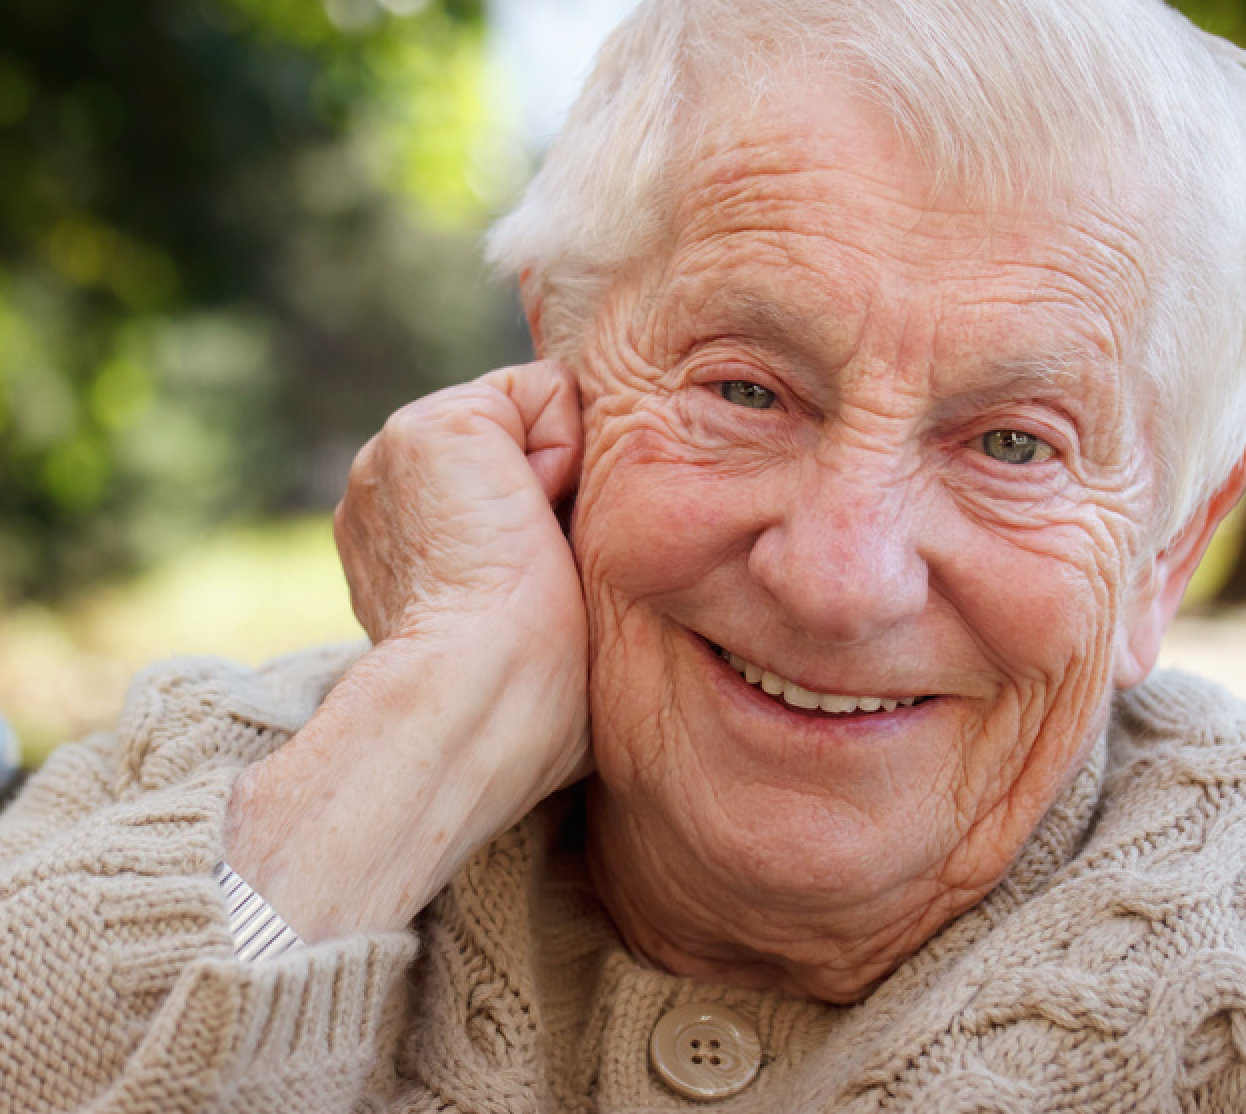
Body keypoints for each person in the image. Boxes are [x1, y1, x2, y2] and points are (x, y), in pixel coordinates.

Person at [5, 0, 1246, 1109]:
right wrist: (422, 735)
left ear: (1167, 550)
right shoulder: (193, 791)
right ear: (561, 359)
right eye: (747, 390)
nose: (837, 577)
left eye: (1015, 444)